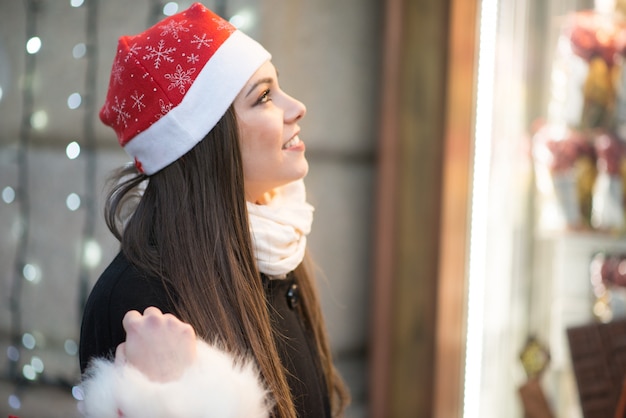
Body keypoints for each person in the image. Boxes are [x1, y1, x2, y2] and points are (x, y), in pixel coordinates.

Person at [78, 3, 350, 417]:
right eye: (263, 97)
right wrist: (173, 397)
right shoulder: (140, 303)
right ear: (204, 142)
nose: (296, 107)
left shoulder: (276, 245)